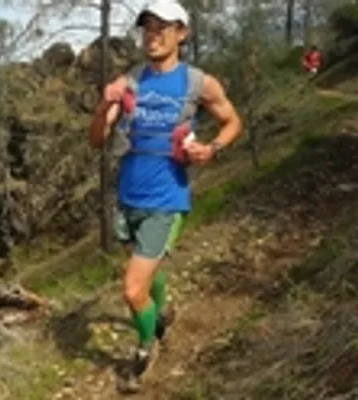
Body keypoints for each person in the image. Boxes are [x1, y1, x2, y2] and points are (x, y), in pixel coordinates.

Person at [89, 0, 242, 391]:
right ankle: (164, 309)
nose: (152, 36)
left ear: (182, 33)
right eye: (148, 28)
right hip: (129, 197)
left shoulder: (198, 83)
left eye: (162, 27)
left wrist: (212, 148)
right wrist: (106, 104)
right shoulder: (131, 81)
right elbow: (97, 139)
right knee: (148, 271)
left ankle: (146, 348)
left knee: (132, 289)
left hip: (167, 199)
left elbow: (232, 121)